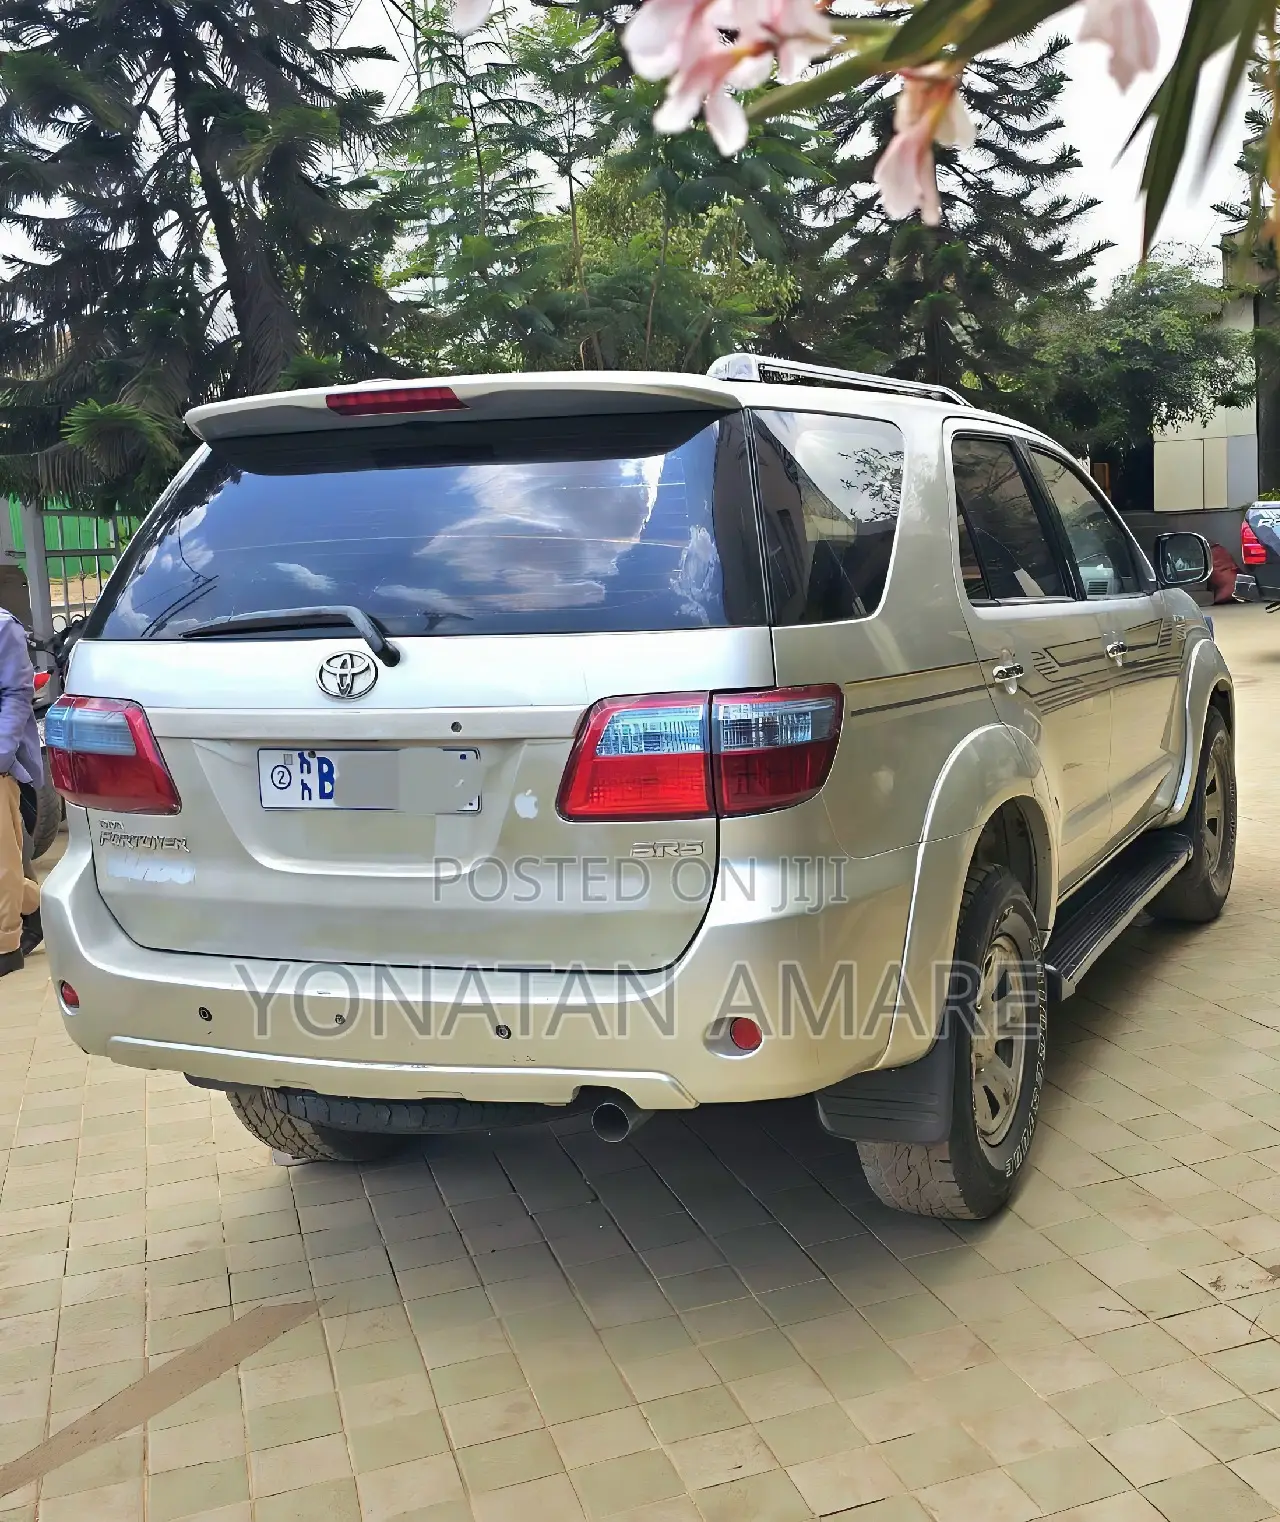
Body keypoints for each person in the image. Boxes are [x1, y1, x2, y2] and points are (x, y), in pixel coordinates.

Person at [0, 608, 42, 976]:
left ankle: (7, 947)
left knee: (1, 863)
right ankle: (38, 905)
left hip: (0, 768)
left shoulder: (2, 627)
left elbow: (16, 695)